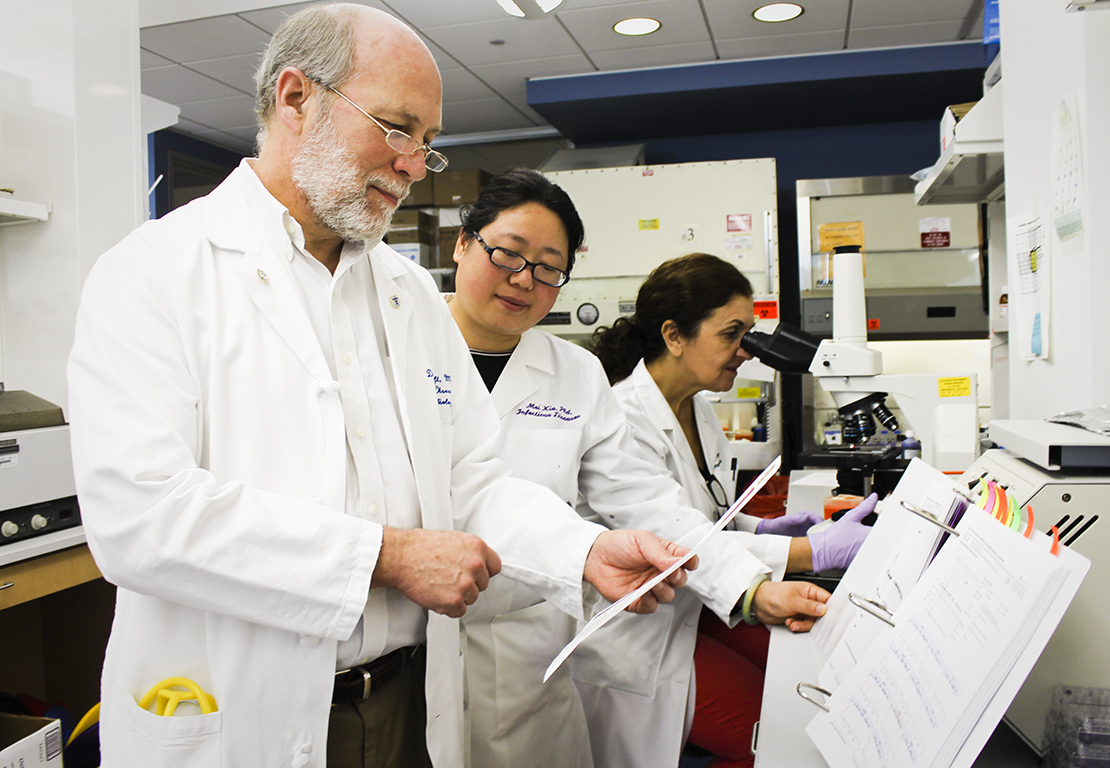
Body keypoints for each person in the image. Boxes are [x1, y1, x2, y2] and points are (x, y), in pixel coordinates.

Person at [65, 7, 698, 768]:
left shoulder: (405, 293)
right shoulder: (155, 271)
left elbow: (472, 480)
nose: (411, 163)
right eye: (397, 128)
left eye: (427, 145)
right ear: (296, 98)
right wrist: (383, 557)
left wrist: (584, 548)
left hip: (406, 705)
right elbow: (138, 515)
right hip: (236, 717)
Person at [446, 169, 836, 768]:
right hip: (423, 641)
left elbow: (646, 501)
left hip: (536, 637)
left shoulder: (575, 374)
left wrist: (752, 585)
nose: (526, 279)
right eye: (509, 253)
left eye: (549, 267)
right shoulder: (398, 350)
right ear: (464, 243)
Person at [585, 252, 877, 768]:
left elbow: (704, 512)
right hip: (642, 634)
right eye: (731, 333)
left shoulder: (697, 405)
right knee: (784, 740)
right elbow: (672, 535)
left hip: (695, 607)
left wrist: (760, 526)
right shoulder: (621, 418)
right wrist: (810, 551)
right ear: (674, 336)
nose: (746, 351)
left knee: (809, 689)